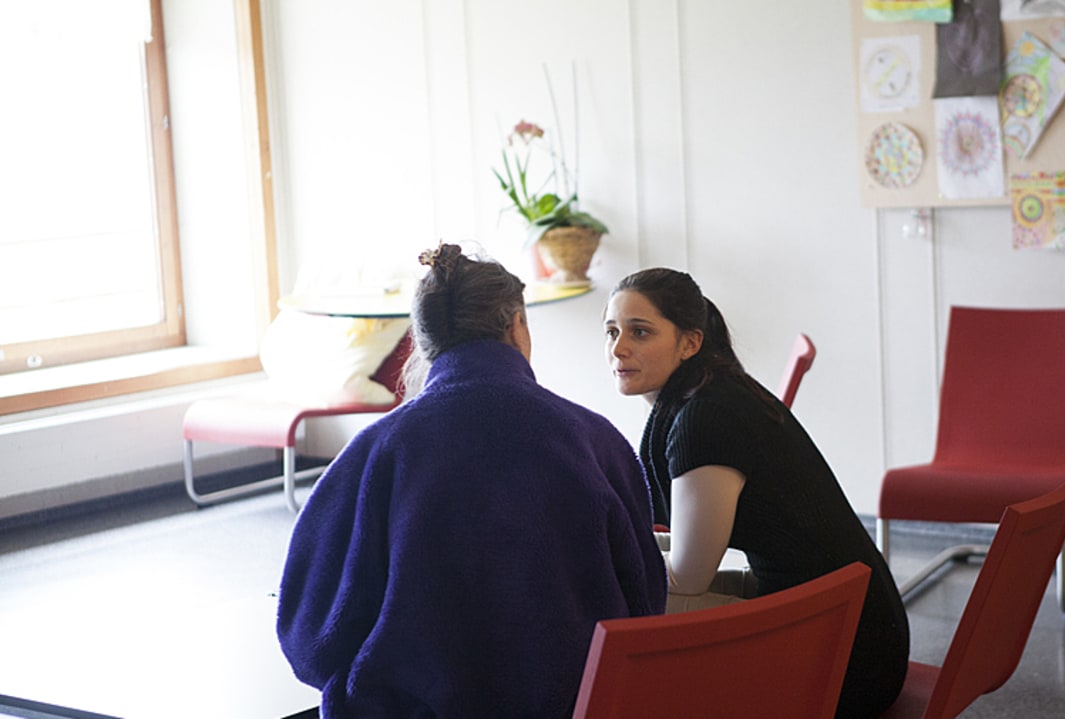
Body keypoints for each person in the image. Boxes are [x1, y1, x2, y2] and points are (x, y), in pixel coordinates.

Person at [278, 243, 666, 718]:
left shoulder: (375, 453)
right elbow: (645, 603)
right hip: (575, 707)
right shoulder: (595, 441)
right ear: (516, 325)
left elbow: (310, 639)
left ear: (423, 341)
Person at [603, 267, 909, 718]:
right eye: (611, 332)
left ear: (690, 342)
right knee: (613, 591)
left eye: (640, 332)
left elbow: (689, 577)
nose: (618, 349)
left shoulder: (704, 419)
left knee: (605, 607)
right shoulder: (714, 390)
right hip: (847, 620)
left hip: (843, 654)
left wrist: (593, 565)